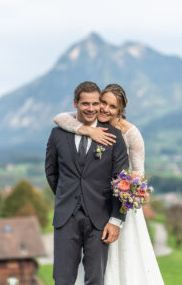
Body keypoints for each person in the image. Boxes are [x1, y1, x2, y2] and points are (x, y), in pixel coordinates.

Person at [54, 83, 165, 285]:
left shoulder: (131, 134)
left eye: (111, 107)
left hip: (121, 204)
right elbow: (59, 118)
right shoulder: (90, 122)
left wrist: (130, 199)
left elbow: (137, 176)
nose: (104, 109)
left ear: (120, 111)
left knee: (123, 260)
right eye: (103, 102)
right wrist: (86, 131)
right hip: (92, 204)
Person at [45, 81, 128, 285]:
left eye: (95, 103)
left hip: (100, 219)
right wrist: (67, 195)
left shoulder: (114, 136)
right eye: (85, 104)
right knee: (62, 279)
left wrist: (116, 219)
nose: (91, 108)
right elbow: (51, 172)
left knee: (95, 279)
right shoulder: (58, 134)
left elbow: (122, 180)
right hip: (66, 218)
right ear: (75, 104)